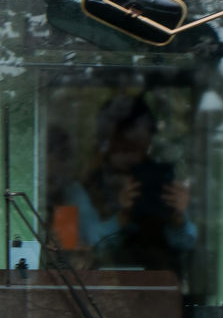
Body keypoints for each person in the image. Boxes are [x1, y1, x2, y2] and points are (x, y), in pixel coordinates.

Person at [67, 96, 195, 272]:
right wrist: (122, 217)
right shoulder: (81, 189)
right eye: (122, 144)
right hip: (95, 290)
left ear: (149, 140)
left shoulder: (162, 181)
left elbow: (188, 245)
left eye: (138, 147)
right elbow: (77, 248)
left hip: (161, 286)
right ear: (105, 140)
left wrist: (177, 218)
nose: (128, 155)